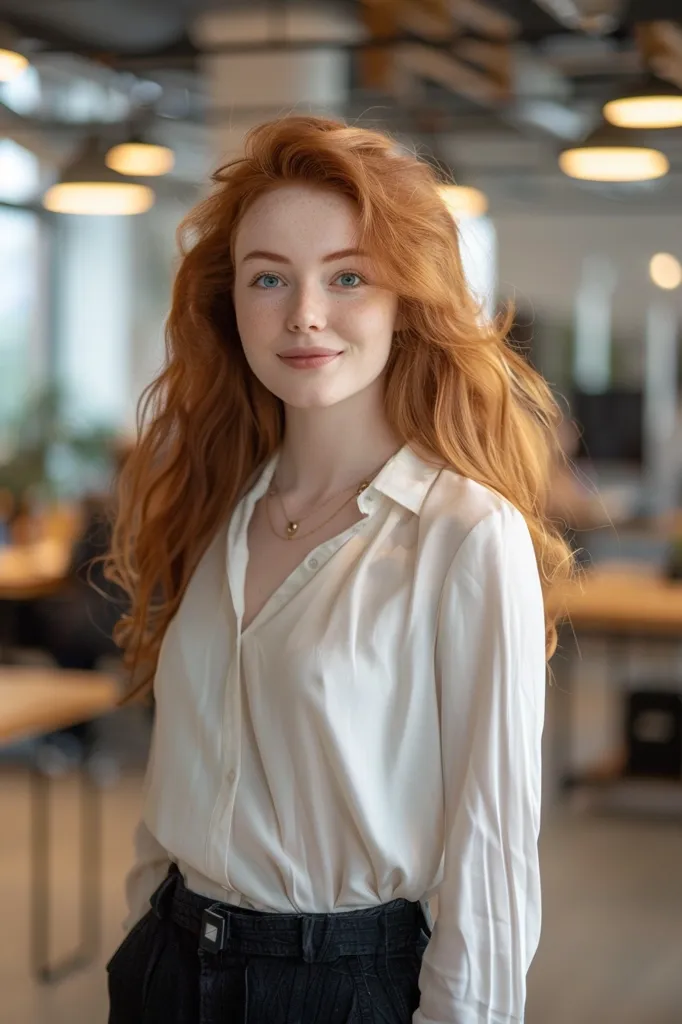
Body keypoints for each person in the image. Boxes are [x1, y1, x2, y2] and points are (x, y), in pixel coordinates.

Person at [106, 116, 574, 1024]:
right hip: (167, 961)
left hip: (335, 986)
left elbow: (491, 861)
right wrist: (140, 937)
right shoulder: (219, 502)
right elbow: (182, 771)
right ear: (231, 302)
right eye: (268, 278)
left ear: (407, 298)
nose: (304, 314)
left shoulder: (464, 534)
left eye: (347, 276)